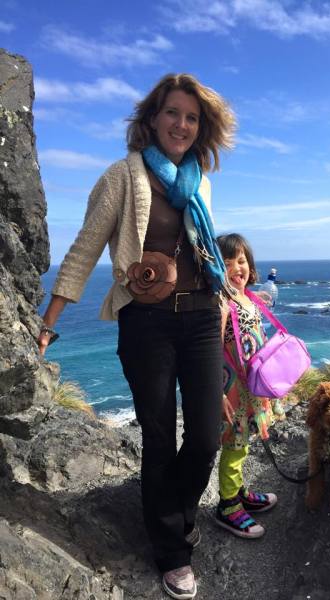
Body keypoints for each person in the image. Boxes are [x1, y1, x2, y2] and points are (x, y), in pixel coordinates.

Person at [37, 73, 236, 600]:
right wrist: (50, 320)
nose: (182, 124)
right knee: (158, 435)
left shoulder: (200, 182)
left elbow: (205, 257)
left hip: (200, 319)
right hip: (147, 324)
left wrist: (223, 311)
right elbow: (83, 249)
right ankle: (172, 550)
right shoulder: (122, 176)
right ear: (151, 119)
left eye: (192, 118)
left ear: (201, 127)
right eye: (173, 113)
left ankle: (175, 512)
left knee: (204, 436)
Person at [215, 233, 278, 539]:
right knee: (234, 445)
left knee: (244, 442)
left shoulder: (248, 297)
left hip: (252, 388)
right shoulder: (222, 303)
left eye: (241, 261)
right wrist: (215, 391)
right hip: (233, 391)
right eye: (227, 263)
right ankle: (227, 506)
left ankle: (238, 492)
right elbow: (211, 349)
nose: (236, 268)